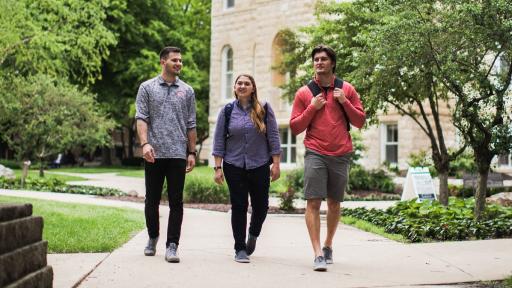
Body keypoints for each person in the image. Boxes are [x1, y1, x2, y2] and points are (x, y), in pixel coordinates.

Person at [290, 45, 366, 271]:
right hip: (315, 152)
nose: (319, 62)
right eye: (316, 59)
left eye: (323, 59)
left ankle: (328, 245)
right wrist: (312, 108)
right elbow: (295, 127)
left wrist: (345, 101)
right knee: (313, 201)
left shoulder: (346, 89)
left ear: (332, 63)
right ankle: (316, 254)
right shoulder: (305, 93)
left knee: (334, 203)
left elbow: (360, 121)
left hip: (340, 153)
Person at [135, 46, 197, 263]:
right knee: (151, 199)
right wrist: (145, 144)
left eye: (180, 60)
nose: (178, 63)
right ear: (163, 62)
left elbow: (191, 124)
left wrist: (191, 151)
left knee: (176, 202)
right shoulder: (147, 88)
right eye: (174, 60)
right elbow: (141, 118)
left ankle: (172, 245)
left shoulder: (187, 91)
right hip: (154, 153)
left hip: (178, 154)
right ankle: (152, 237)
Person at [212, 74, 281, 263]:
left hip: (259, 164)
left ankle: (253, 233)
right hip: (234, 165)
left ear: (253, 88)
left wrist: (276, 163)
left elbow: (273, 137)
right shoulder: (226, 111)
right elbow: (218, 141)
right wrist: (217, 167)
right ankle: (240, 248)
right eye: (239, 83)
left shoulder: (264, 109)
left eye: (246, 83)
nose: (242, 86)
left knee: (261, 206)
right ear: (234, 88)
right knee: (239, 206)